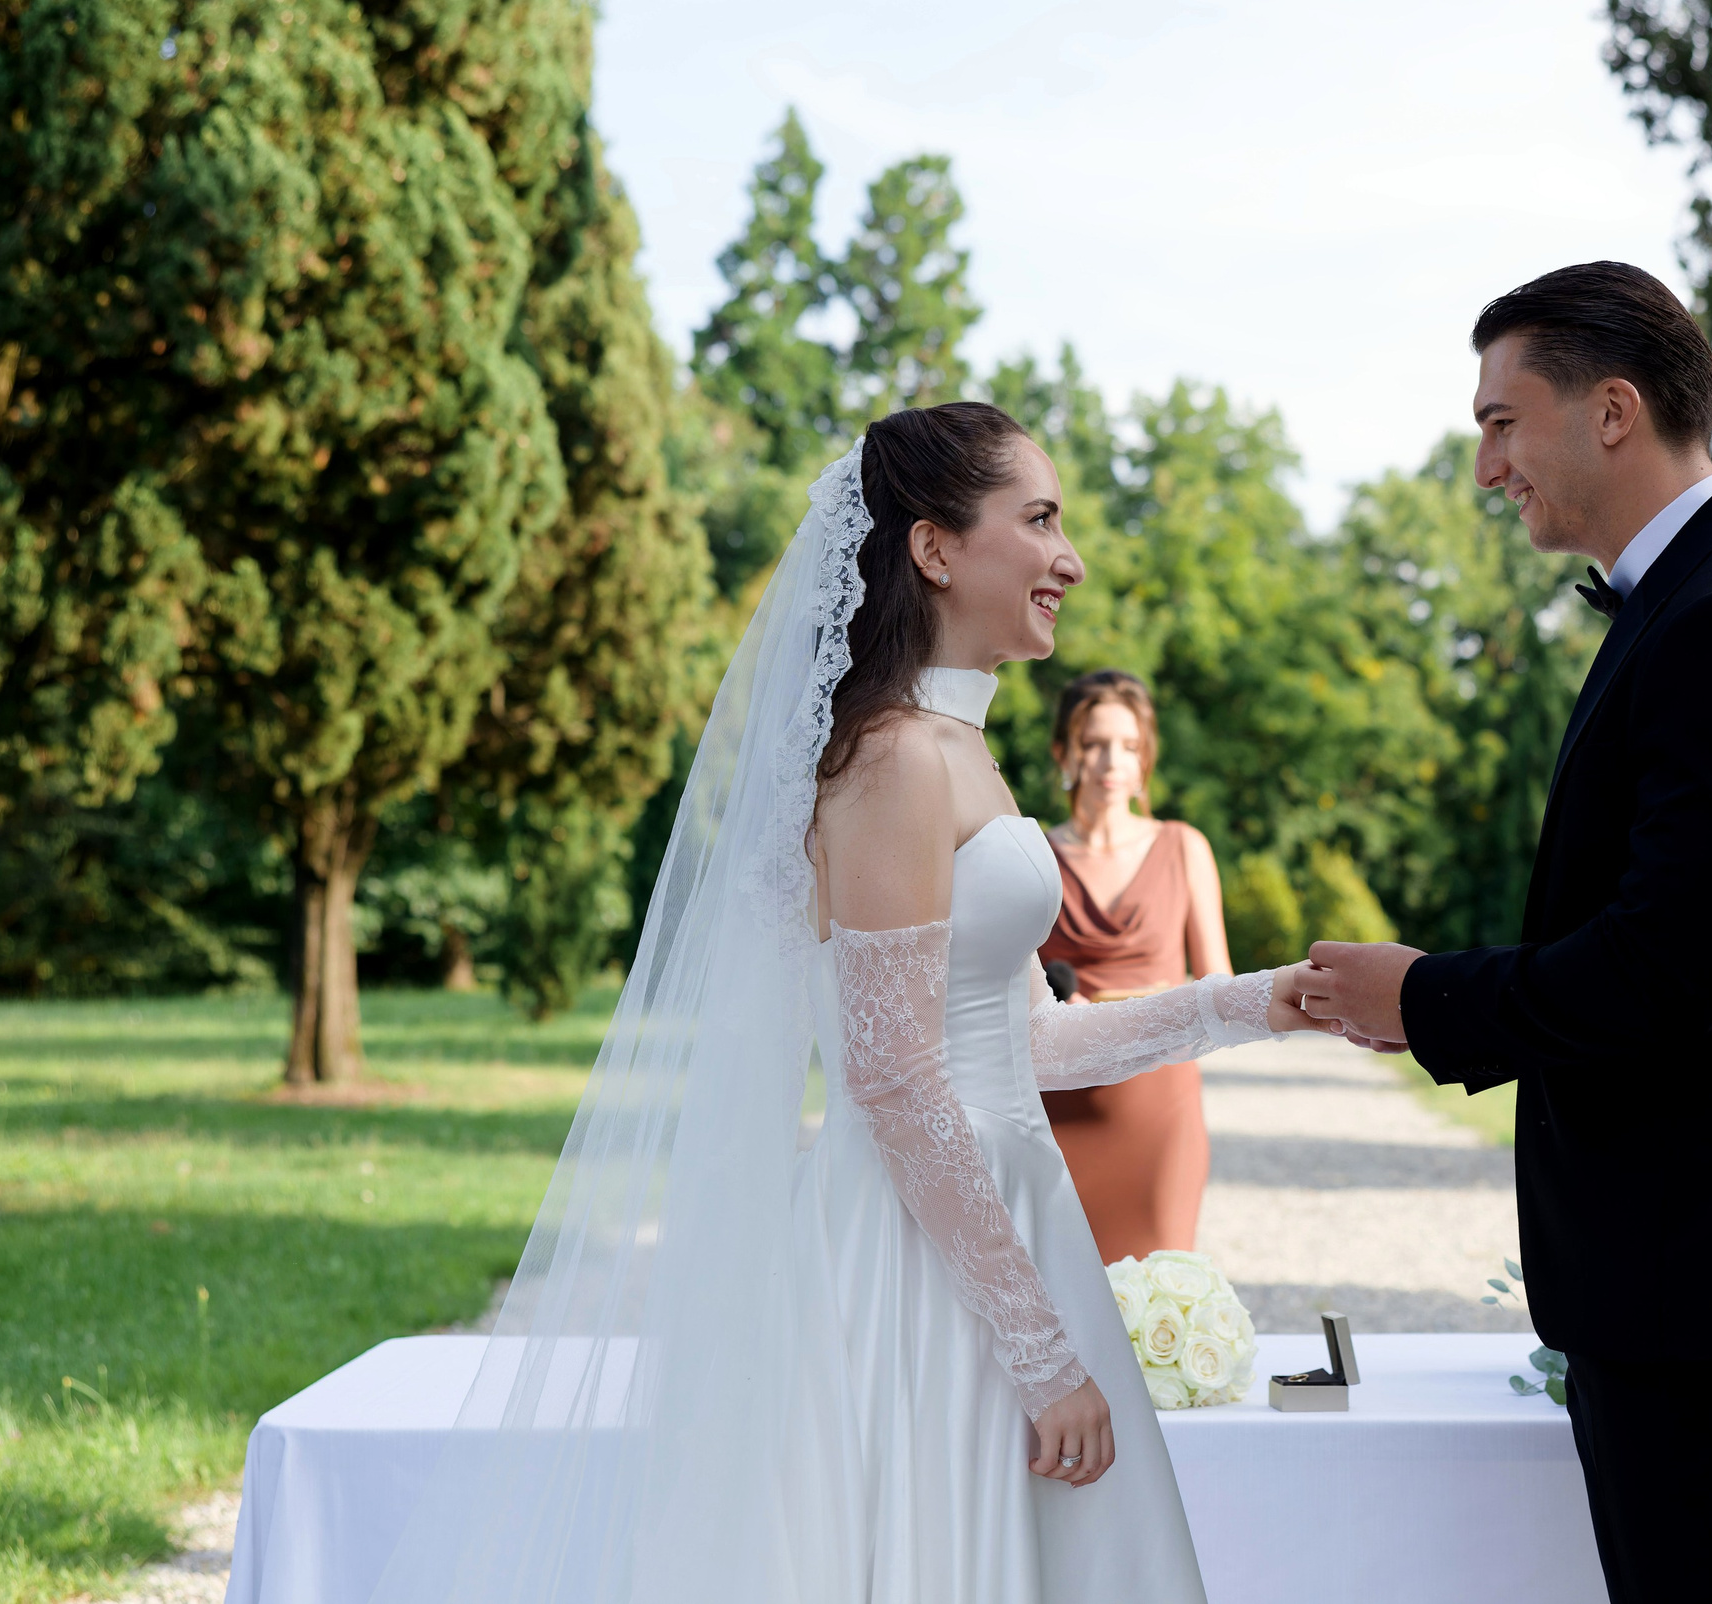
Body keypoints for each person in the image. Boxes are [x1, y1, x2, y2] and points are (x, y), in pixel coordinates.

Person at [368, 402, 1330, 1604]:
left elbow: (1027, 1041)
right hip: (915, 1259)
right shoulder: (892, 761)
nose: (1070, 560)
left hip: (1002, 1207)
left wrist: (1257, 1004)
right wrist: (1039, 1355)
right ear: (935, 548)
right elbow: (894, 1080)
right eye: (1039, 521)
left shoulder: (959, 748)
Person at [1299, 263, 1712, 1604]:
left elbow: (1666, 968)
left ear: (1612, 411)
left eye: (1503, 422)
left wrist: (1424, 1000)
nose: (1486, 466)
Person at [1038, 670, 1234, 1264]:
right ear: (1063, 753)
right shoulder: (1032, 857)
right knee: (1062, 1290)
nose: (1111, 762)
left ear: (1146, 757)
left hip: (1159, 1105)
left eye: (1129, 746)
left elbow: (1220, 987)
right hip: (1062, 1101)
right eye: (1094, 743)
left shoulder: (1184, 847)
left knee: (1163, 1282)